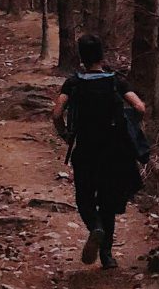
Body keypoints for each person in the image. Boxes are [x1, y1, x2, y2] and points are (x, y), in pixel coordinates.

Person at [52, 32, 146, 270]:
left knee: (84, 197)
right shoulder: (115, 81)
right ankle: (107, 256)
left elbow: (56, 113)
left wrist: (64, 134)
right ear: (101, 54)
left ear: (81, 56)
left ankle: (95, 227)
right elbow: (139, 106)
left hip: (85, 150)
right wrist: (130, 125)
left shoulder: (74, 82)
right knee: (107, 202)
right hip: (113, 151)